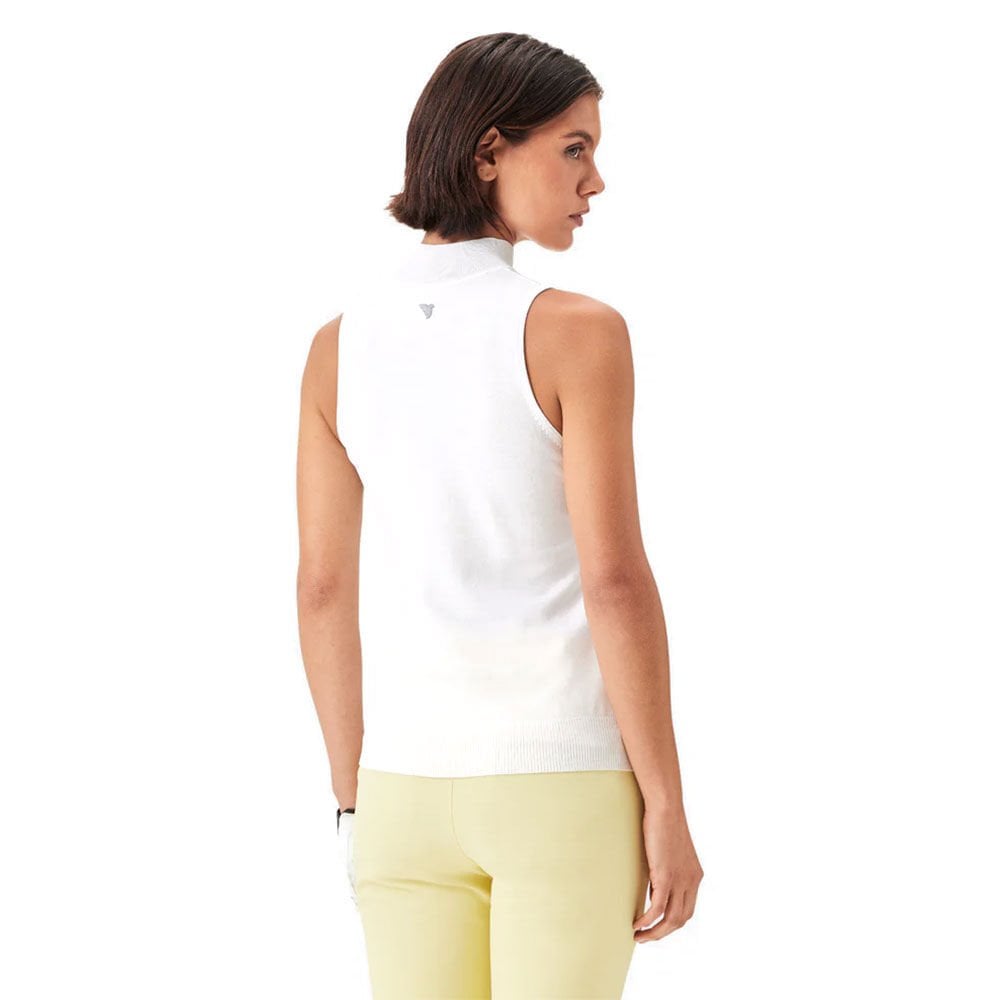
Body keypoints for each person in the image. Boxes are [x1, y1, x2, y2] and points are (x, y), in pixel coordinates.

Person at [296, 31, 703, 1000]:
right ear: (489, 153)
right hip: (558, 782)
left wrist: (353, 800)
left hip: (397, 791)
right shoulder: (578, 332)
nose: (594, 180)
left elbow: (321, 589)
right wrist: (666, 804)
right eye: (573, 147)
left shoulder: (335, 347)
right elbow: (614, 579)